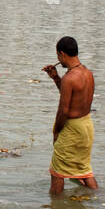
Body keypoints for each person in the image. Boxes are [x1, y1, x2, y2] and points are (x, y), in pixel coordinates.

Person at [43, 37, 98, 194]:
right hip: (86, 126)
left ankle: (55, 207)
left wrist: (56, 132)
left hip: (72, 129)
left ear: (62, 54)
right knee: (84, 169)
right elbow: (74, 99)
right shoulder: (88, 74)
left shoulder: (69, 78)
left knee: (57, 171)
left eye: (58, 56)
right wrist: (55, 77)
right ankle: (97, 197)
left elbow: (64, 110)